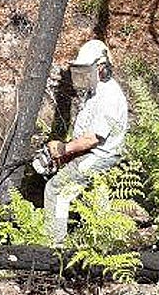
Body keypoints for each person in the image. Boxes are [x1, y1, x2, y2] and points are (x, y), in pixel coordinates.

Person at [39, 39, 129, 245]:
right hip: (92, 154)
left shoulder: (109, 97)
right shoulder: (94, 92)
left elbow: (92, 139)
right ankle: (105, 243)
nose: (81, 75)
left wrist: (63, 149)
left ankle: (54, 245)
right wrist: (69, 153)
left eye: (85, 69)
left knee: (57, 189)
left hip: (100, 156)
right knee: (97, 199)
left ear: (101, 67)